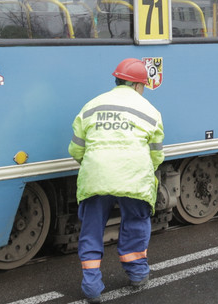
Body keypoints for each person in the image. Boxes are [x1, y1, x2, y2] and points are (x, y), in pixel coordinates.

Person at [69, 58, 165, 302]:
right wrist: (145, 170)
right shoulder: (149, 111)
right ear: (137, 85)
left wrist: (95, 165)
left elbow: (76, 149)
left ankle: (91, 286)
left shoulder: (92, 105)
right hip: (133, 175)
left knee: (91, 229)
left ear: (117, 80)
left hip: (96, 174)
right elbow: (156, 155)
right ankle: (137, 274)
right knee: (135, 221)